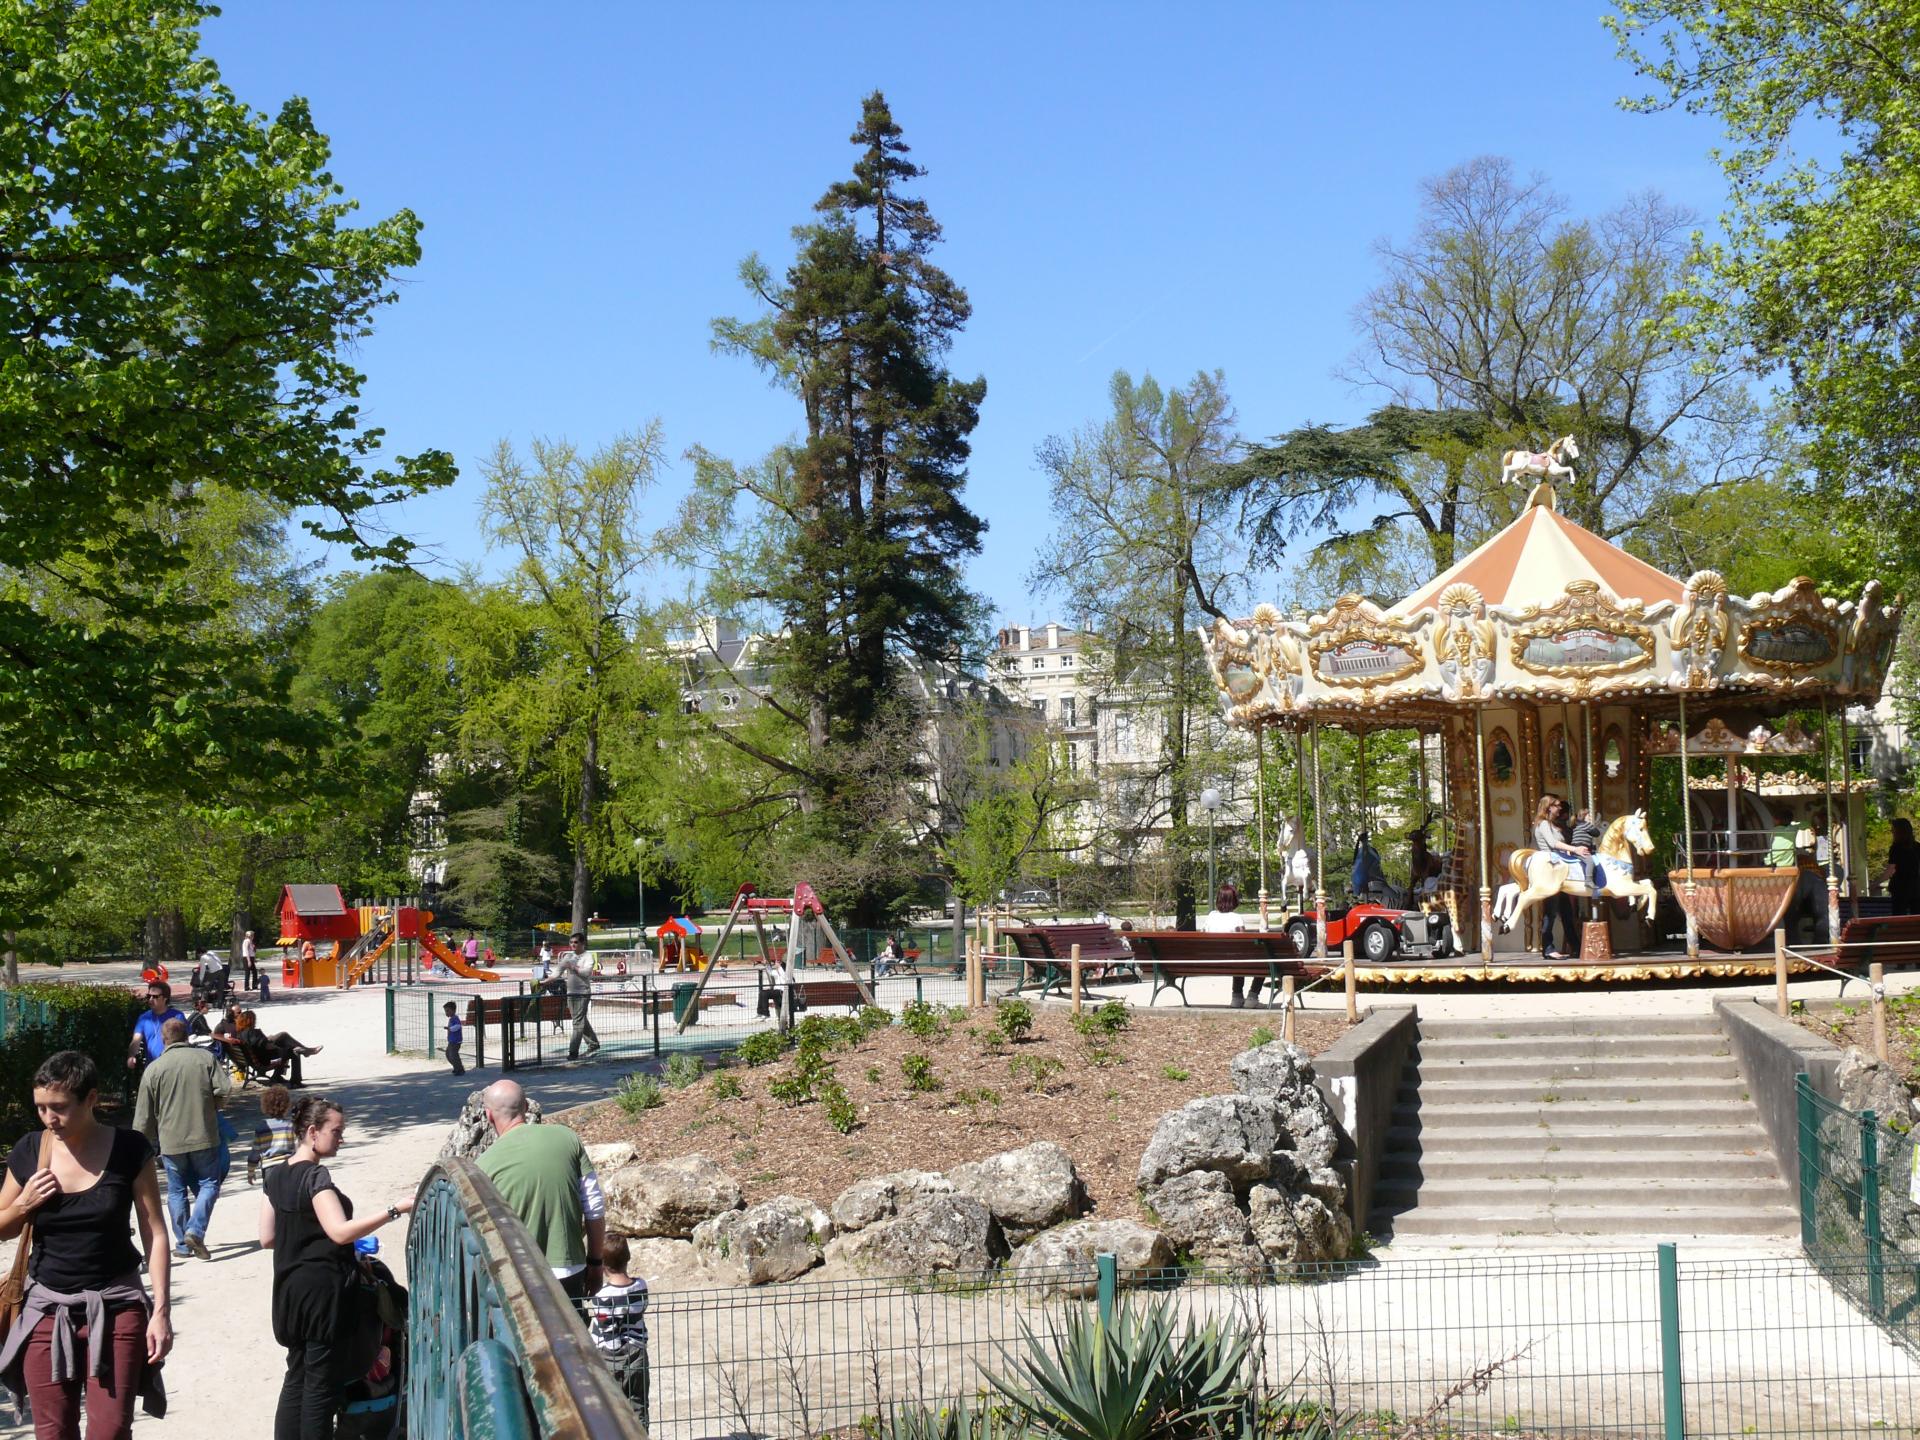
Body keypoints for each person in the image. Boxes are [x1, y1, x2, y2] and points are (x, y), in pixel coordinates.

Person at [0, 1051, 172, 1433]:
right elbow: (1, 1226)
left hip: (116, 1308)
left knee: (110, 1430)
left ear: (91, 1098)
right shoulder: (30, 1150)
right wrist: (24, 1204)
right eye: (41, 1108)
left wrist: (161, 1311)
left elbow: (155, 1232)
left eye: (58, 1107)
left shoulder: (129, 1149)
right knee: (53, 1430)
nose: (48, 1118)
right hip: (46, 1311)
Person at [260, 1096, 416, 1440]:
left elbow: (266, 1237)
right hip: (323, 1295)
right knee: (320, 1387)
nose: (342, 1138)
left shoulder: (275, 1175)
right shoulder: (315, 1177)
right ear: (313, 1132)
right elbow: (339, 1231)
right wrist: (395, 1209)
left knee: (296, 1377)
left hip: (289, 1291)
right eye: (337, 1131)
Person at [475, 1080, 606, 1298]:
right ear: (526, 1107)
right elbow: (594, 1207)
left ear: (488, 1115)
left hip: (519, 1274)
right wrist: (595, 1262)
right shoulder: (567, 1138)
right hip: (569, 1268)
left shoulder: (483, 1165)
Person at [134, 1016, 232, 1261]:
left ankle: (183, 1244)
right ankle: (195, 1230)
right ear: (187, 1036)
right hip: (204, 1135)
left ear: (164, 1040)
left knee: (176, 1191)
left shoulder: (154, 1069)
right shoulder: (205, 1059)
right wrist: (213, 1106)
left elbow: (144, 1115)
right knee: (210, 1183)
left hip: (170, 1141)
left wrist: (141, 1143)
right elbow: (224, 1089)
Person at [587, 1232, 650, 1423]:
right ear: (628, 1258)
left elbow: (609, 1333)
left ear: (604, 1265)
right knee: (638, 1404)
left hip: (611, 1357)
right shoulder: (641, 1286)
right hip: (637, 1352)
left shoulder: (602, 1297)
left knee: (611, 1410)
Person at [1531, 795, 1580, 961]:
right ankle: (1548, 948)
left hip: (1559, 870)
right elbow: (1553, 844)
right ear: (1548, 807)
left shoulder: (1552, 825)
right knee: (1551, 911)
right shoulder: (1543, 824)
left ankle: (1576, 947)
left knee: (1566, 912)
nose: (1560, 808)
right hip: (1550, 870)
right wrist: (1575, 849)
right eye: (1557, 805)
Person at [1198, 882, 1262, 1008]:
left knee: (1238, 959)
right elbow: (1243, 943)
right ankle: (1251, 997)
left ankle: (1237, 997)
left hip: (1210, 962)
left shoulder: (1211, 916)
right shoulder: (1236, 918)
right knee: (1265, 963)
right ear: (1234, 901)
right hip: (1233, 961)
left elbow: (1202, 935)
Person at [238, 1012, 324, 1088]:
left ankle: (277, 1076)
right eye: (254, 1019)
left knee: (284, 1039)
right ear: (250, 1020)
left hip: (257, 1061)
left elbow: (260, 1045)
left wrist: (271, 1041)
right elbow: (267, 1046)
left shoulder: (241, 1034)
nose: (256, 1021)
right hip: (267, 1062)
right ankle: (296, 1081)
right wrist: (281, 1048)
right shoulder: (253, 1032)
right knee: (295, 1050)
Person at [127, 981, 186, 1077]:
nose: (150, 999)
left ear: (165, 998)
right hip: (152, 1069)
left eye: (155, 997)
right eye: (148, 996)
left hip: (174, 1069)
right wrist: (131, 1056)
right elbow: (135, 1041)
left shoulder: (177, 1016)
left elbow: (185, 1041)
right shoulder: (144, 1018)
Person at [556, 932, 600, 1060]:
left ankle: (573, 1052)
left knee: (577, 1022)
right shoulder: (568, 956)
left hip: (583, 993)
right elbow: (557, 972)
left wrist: (573, 967)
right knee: (580, 1020)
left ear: (582, 943)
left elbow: (586, 973)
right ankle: (593, 1044)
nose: (573, 945)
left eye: (576, 942)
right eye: (571, 942)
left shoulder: (588, 956)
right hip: (571, 993)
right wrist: (544, 982)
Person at [249, 1085, 296, 1187]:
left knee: (270, 1197)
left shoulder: (262, 1128)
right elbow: (297, 1146)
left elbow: (255, 1151)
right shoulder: (290, 1126)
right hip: (288, 1166)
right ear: (287, 1105)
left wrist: (251, 1170)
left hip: (269, 1168)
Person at [1882, 817, 1920, 916]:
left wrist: (1875, 883)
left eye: (1893, 830)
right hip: (1916, 888)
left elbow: (1890, 870)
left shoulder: (1896, 848)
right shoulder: (1917, 847)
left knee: (1898, 917)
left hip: (1900, 889)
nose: (1892, 833)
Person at [443, 1001, 465, 1076]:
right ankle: (457, 1067)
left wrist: (450, 1028)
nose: (446, 1013)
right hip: (451, 1041)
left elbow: (458, 1026)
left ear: (453, 1010)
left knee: (453, 1055)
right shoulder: (452, 1019)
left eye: (448, 1011)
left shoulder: (455, 1018)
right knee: (448, 1054)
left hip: (455, 1041)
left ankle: (460, 1069)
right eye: (446, 1011)